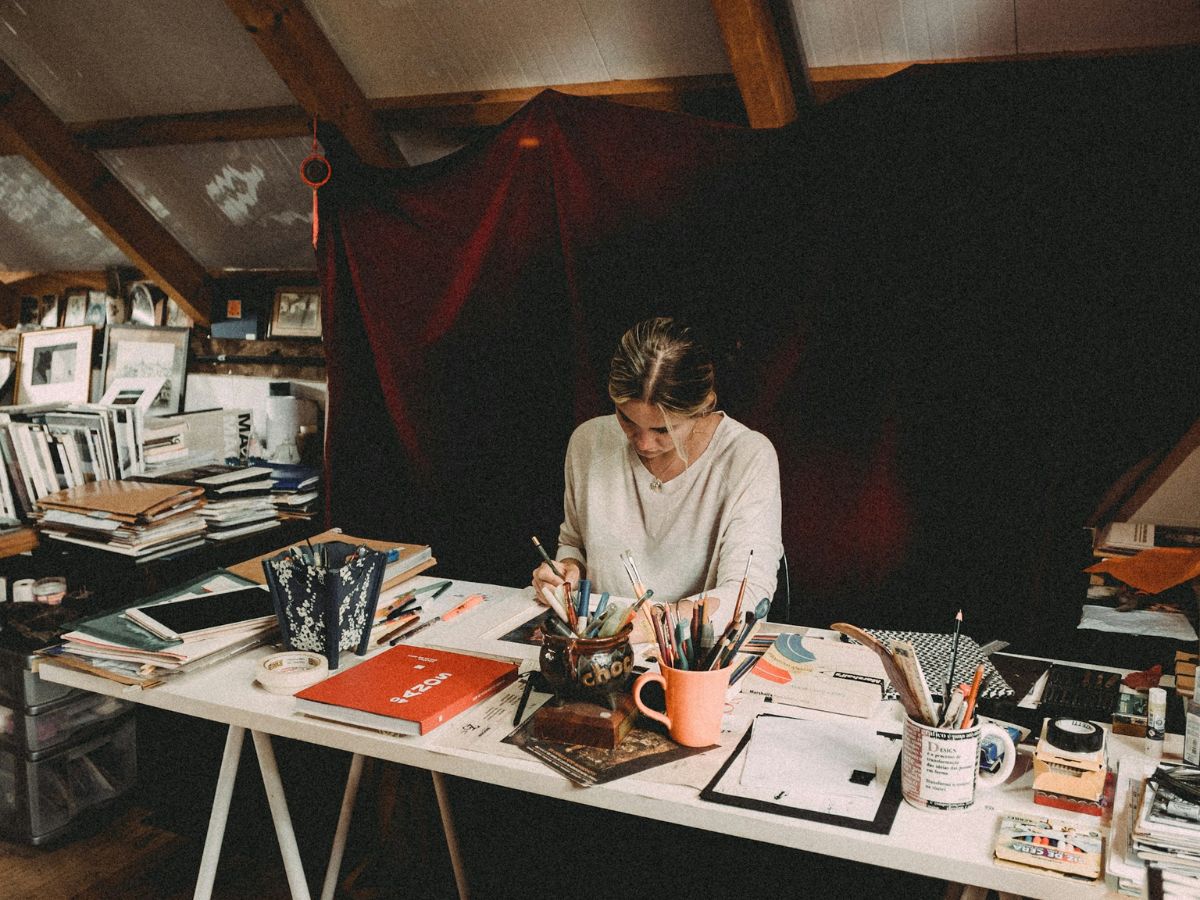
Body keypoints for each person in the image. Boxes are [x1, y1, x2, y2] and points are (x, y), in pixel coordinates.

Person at [532, 317, 782, 633]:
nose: (644, 443)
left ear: (703, 406)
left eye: (664, 429)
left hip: (690, 657)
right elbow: (574, 544)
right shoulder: (589, 441)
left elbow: (748, 594)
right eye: (627, 419)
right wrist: (566, 571)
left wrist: (650, 627)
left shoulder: (746, 456)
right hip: (600, 647)